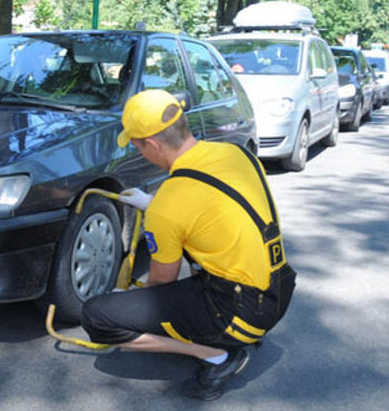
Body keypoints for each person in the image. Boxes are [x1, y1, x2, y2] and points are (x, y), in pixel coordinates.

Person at [81, 89, 296, 401]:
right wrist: (151, 204)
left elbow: (160, 284)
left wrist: (127, 299)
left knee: (98, 316)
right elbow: (208, 211)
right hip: (277, 289)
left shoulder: (169, 204)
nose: (141, 153)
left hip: (240, 312)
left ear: (151, 145)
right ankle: (224, 335)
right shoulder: (236, 155)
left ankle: (215, 355)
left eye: (138, 146)